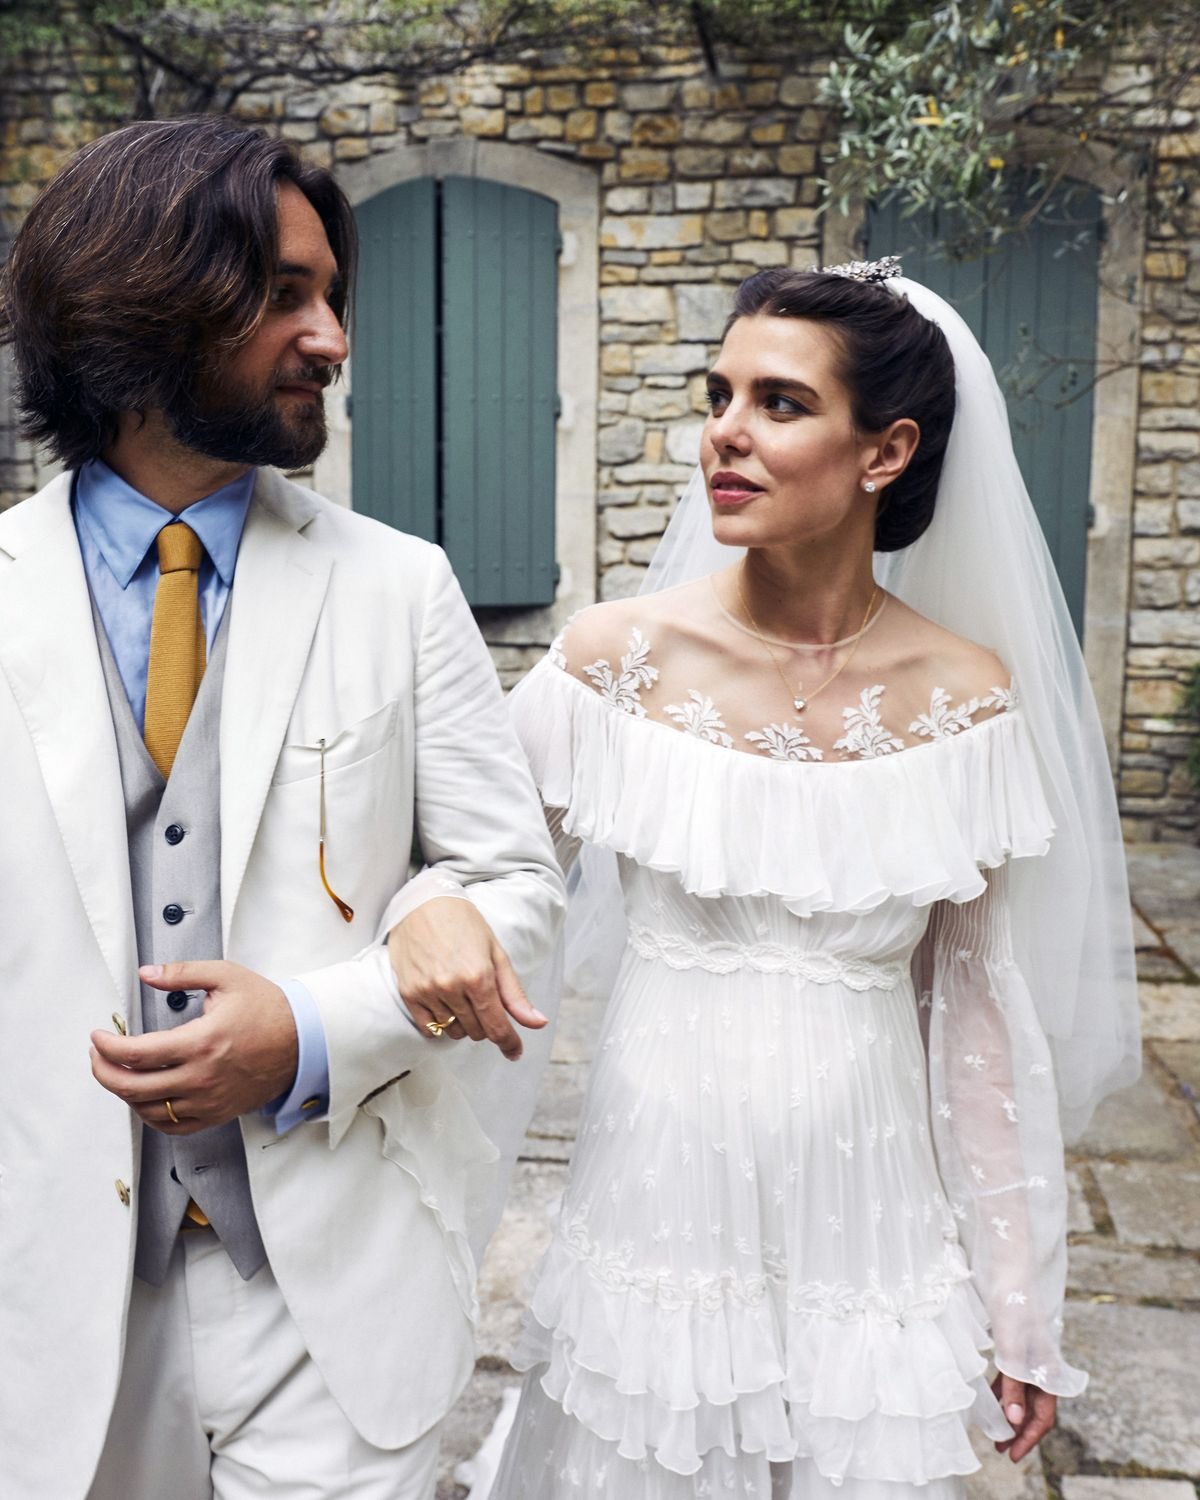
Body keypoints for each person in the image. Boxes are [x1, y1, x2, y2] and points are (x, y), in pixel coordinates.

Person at [490, 262, 1140, 1498]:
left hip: (869, 1209)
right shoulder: (608, 662)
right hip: (661, 1197)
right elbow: (476, 877)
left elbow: (976, 1014)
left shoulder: (968, 700)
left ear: (885, 451)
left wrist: (1020, 1300)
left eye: (779, 403)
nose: (724, 434)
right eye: (719, 394)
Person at [0, 116, 565, 1500]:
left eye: (333, 295)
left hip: (332, 1301)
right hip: (47, 1296)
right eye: (283, 295)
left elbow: (517, 891)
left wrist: (315, 1027)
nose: (333, 339)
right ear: (143, 303)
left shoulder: (400, 588)